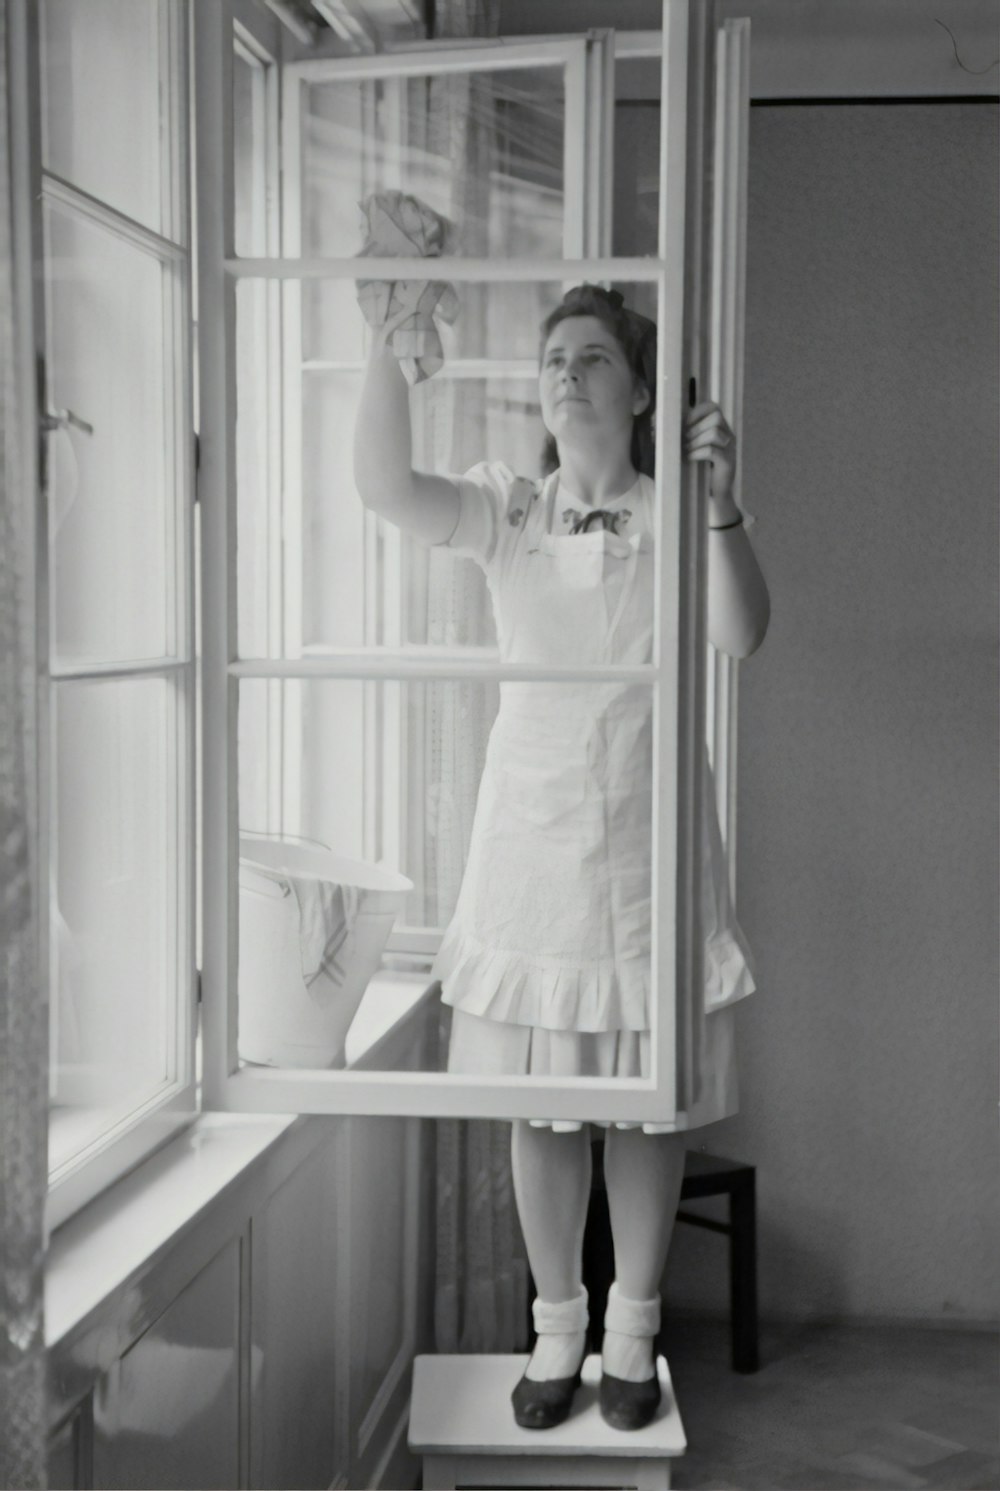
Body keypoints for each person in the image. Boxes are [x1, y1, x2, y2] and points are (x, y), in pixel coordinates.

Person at [354, 279, 770, 1432]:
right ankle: (557, 1333)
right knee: (541, 1107)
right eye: (554, 358)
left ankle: (633, 1340)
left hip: (647, 847)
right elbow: (383, 488)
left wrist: (722, 502)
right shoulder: (509, 508)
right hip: (530, 848)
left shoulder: (678, 511)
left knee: (645, 1108)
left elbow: (741, 634)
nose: (567, 373)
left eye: (593, 356)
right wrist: (390, 351)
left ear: (638, 390)